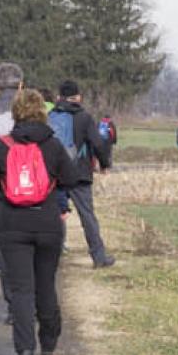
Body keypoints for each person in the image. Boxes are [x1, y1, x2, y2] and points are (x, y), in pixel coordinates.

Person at [0, 90, 78, 355]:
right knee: (45, 283)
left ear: (16, 112)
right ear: (42, 112)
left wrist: (4, 187)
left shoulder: (3, 145)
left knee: (21, 288)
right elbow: (71, 178)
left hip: (12, 224)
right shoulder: (53, 145)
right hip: (47, 222)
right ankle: (48, 341)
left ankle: (24, 348)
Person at [43, 79, 114, 269]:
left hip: (55, 174)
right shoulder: (84, 117)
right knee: (87, 216)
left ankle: (51, 257)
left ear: (59, 97)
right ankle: (99, 257)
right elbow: (98, 143)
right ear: (78, 97)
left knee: (54, 214)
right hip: (79, 174)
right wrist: (105, 164)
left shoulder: (50, 115)